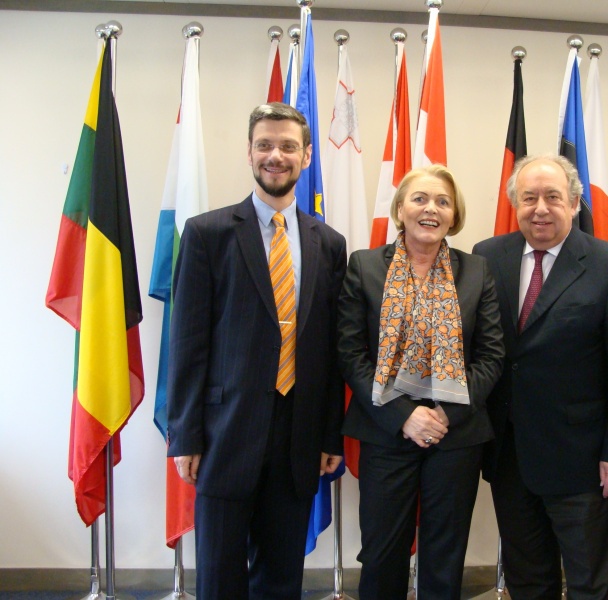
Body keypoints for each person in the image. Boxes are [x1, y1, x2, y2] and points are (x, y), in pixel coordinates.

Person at [166, 103, 346, 600]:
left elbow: (331, 351)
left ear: (306, 156)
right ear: (249, 152)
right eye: (265, 144)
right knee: (221, 577)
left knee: (281, 576)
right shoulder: (208, 234)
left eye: (288, 146)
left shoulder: (329, 243)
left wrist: (330, 432)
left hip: (299, 437)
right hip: (225, 435)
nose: (276, 155)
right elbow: (187, 343)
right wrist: (185, 435)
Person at [473, 154, 608, 600]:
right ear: (515, 204)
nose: (540, 208)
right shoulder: (487, 256)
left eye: (552, 197)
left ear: (573, 201)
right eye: (529, 198)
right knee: (528, 581)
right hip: (509, 456)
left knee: (590, 583)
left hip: (583, 463)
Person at [338, 164, 505, 600]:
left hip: (456, 434)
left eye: (443, 202)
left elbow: (491, 357)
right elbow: (351, 353)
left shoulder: (477, 271)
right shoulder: (365, 266)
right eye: (420, 199)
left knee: (444, 555)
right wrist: (404, 416)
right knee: (380, 554)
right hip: (386, 430)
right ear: (400, 209)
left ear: (454, 216)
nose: (431, 208)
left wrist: (442, 415)